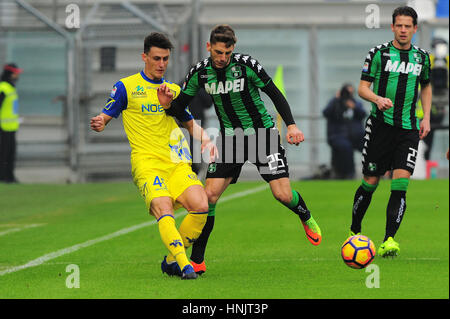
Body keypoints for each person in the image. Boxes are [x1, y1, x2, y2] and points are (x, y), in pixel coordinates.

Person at [158, 24, 322, 275]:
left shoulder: (246, 66)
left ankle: (305, 215)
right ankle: (198, 260)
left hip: (263, 136)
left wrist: (291, 126)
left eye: (227, 53)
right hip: (230, 141)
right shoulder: (200, 73)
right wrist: (168, 105)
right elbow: (180, 107)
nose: (222, 58)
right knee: (209, 196)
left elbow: (274, 94)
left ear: (233, 49)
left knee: (282, 195)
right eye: (218, 53)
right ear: (208, 47)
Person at [90, 32, 217, 280]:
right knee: (163, 207)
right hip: (147, 164)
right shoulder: (126, 87)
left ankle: (170, 261)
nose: (161, 64)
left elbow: (190, 124)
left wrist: (206, 139)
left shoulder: (172, 91)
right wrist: (100, 122)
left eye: (166, 59)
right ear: (144, 57)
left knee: (201, 206)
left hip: (178, 163)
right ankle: (184, 265)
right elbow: (105, 116)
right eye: (157, 58)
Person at [349, 6, 432, 257]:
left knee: (400, 184)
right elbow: (362, 88)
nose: (404, 30)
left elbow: (426, 86)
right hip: (380, 127)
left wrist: (425, 117)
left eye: (408, 26)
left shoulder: (422, 58)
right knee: (371, 182)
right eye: (399, 25)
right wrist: (377, 99)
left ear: (415, 29)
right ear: (392, 27)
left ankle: (389, 240)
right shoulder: (379, 54)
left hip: (408, 129)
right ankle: (354, 232)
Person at [323, 84, 367, 179]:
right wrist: (336, 99)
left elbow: (363, 114)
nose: (348, 95)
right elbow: (326, 112)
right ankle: (348, 174)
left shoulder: (356, 103)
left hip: (356, 135)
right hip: (338, 135)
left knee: (371, 146)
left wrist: (354, 107)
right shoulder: (335, 102)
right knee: (346, 147)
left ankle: (375, 171)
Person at [0, 63, 23, 183]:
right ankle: (3, 177)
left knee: (10, 154)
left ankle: (10, 177)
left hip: (11, 127)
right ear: (9, 74)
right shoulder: (3, 87)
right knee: (3, 155)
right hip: (3, 127)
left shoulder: (11, 88)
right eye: (15, 73)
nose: (17, 76)